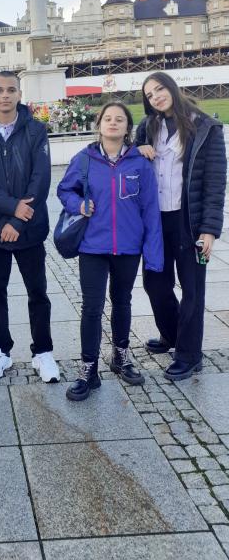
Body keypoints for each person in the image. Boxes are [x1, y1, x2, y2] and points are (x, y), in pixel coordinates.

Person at [58, 101, 163, 401]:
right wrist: (78, 204)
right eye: (108, 118)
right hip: (93, 246)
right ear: (99, 125)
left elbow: (151, 210)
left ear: (128, 127)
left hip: (128, 247)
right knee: (92, 307)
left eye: (120, 119)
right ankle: (88, 369)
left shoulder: (140, 163)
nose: (113, 123)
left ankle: (120, 356)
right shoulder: (84, 159)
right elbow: (64, 190)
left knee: (122, 301)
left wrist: (154, 257)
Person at [0, 71, 59, 383]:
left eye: (10, 90)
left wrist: (19, 220)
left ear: (19, 94)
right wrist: (11, 210)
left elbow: (40, 180)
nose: (5, 95)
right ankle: (0, 349)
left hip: (29, 229)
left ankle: (43, 351)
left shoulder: (35, 130)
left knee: (38, 292)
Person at [135, 72, 227, 380]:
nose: (156, 97)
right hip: (156, 221)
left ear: (172, 87)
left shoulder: (206, 127)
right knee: (155, 283)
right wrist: (138, 149)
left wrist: (209, 230)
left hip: (190, 222)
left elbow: (215, 183)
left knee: (192, 290)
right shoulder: (148, 127)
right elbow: (129, 159)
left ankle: (189, 355)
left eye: (159, 89)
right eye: (149, 95)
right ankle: (172, 333)